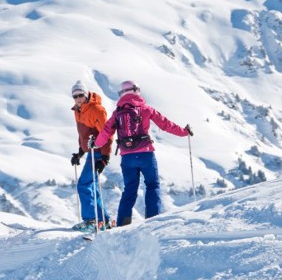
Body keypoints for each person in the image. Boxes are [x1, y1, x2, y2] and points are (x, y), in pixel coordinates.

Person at [91, 80, 193, 227]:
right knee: (152, 185)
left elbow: (106, 132)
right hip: (146, 154)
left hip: (127, 157)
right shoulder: (145, 109)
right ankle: (152, 221)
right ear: (137, 90)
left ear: (122, 94)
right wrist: (184, 132)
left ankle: (123, 224)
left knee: (130, 190)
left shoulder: (117, 113)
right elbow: (165, 124)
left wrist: (95, 144)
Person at [69, 80, 112, 233]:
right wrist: (80, 153)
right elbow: (84, 135)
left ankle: (91, 220)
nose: (78, 99)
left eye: (81, 95)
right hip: (90, 151)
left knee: (84, 184)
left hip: (98, 150)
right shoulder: (77, 110)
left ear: (86, 94)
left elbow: (107, 134)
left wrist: (104, 158)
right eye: (75, 96)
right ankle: (103, 220)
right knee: (92, 186)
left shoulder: (97, 110)